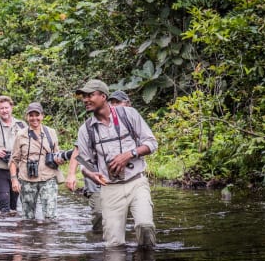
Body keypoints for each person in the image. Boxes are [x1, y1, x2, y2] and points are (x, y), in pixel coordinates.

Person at [69, 79, 158, 248]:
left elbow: (152, 144)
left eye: (90, 95)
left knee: (145, 226)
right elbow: (84, 163)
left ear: (103, 96)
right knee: (114, 244)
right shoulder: (85, 129)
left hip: (136, 182)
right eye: (83, 97)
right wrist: (91, 174)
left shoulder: (128, 115)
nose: (85, 100)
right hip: (110, 189)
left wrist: (128, 155)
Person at [65, 90, 132, 233]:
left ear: (127, 104)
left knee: (127, 215)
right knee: (99, 213)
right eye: (112, 102)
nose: (115, 105)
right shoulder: (92, 124)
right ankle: (98, 249)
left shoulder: (130, 120)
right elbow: (79, 152)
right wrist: (72, 174)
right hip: (95, 173)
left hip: (123, 178)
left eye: (118, 102)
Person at [9, 102, 65, 221]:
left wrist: (60, 159)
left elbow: (56, 153)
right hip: (27, 179)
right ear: (27, 117)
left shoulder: (51, 132)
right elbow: (14, 160)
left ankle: (48, 238)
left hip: (48, 177)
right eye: (31, 115)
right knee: (27, 217)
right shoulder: (21, 135)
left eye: (37, 115)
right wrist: (14, 179)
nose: (34, 118)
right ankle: (29, 238)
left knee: (51, 216)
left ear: (42, 116)